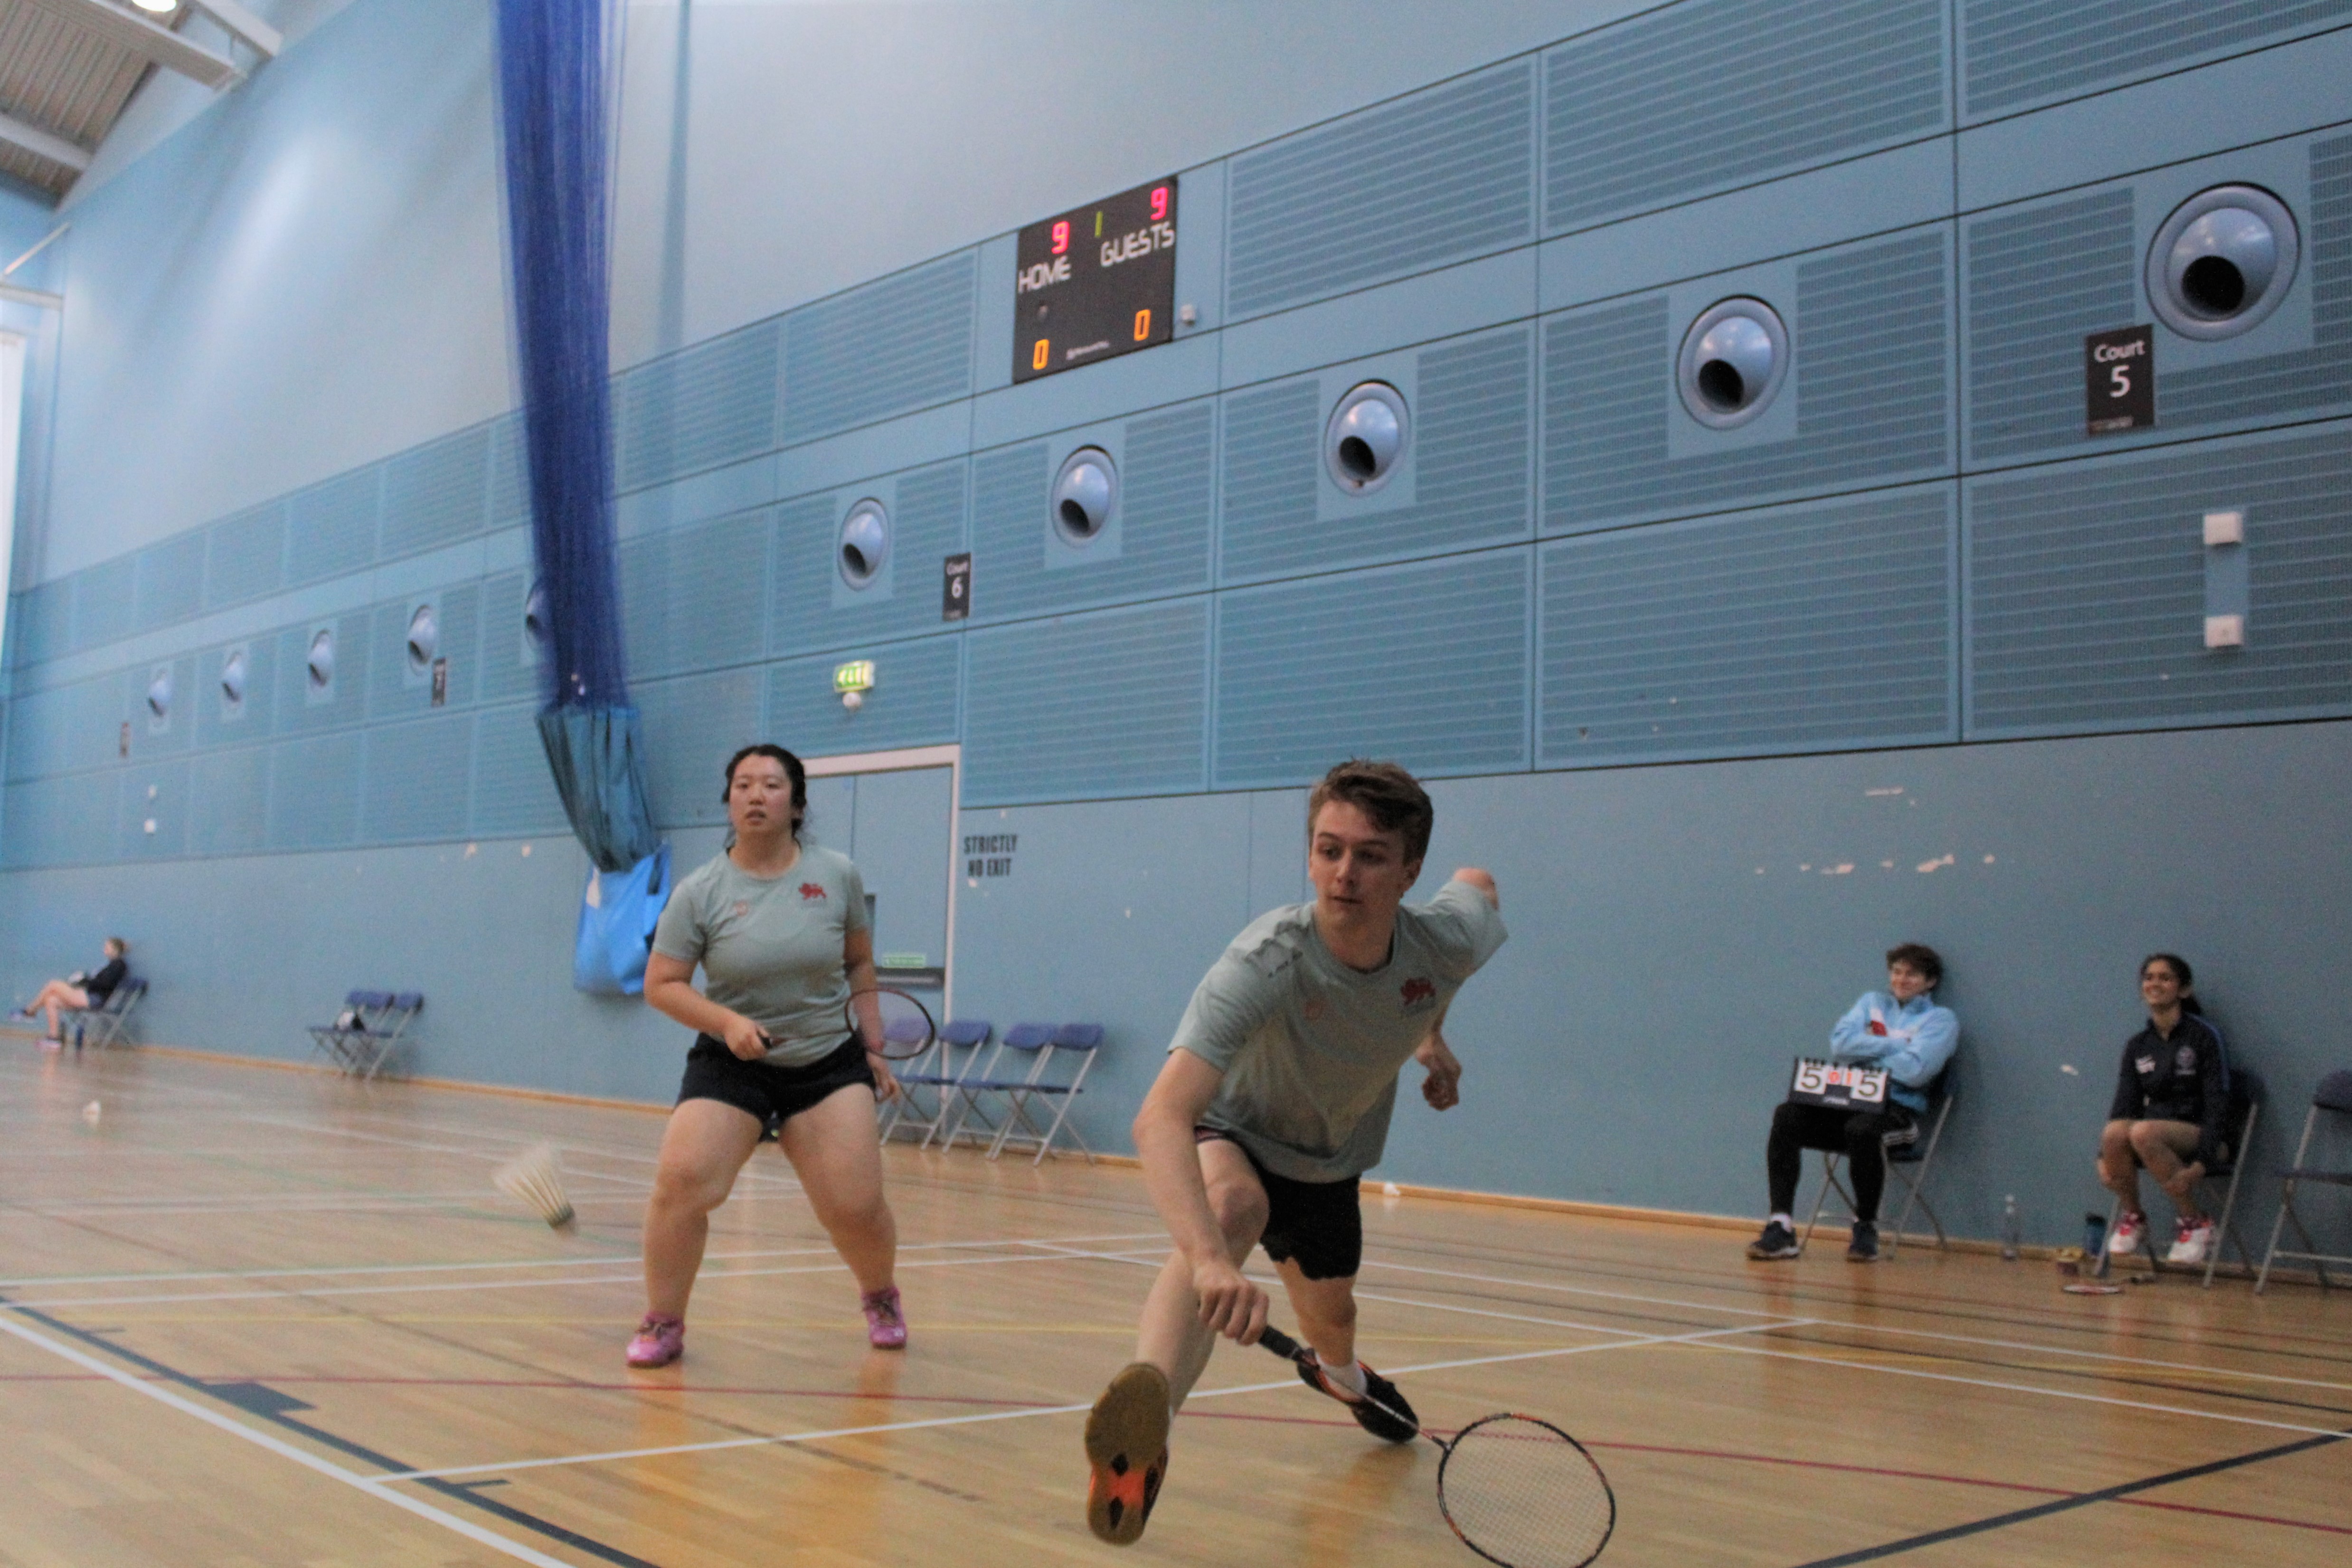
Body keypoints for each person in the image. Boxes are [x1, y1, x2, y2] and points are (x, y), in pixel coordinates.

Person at [1082, 760, 1506, 1547]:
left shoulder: (1442, 941)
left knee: (1332, 1318)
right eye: (1327, 849)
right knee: (1233, 1208)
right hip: (1232, 1131)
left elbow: (1476, 883)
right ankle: (1141, 1436)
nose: (1342, 872)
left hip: (1329, 1162)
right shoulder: (1265, 959)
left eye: (1369, 854)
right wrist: (1211, 1260)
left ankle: (1339, 1375)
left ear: (1409, 869)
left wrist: (1430, 1034)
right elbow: (1159, 1117)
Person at [627, 743, 906, 1369]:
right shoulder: (700, 891)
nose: (756, 794)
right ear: (729, 800)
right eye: (744, 784)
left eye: (772, 784)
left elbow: (859, 962)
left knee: (855, 1207)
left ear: (797, 802)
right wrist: (728, 1022)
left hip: (828, 1059)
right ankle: (663, 1318)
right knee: (681, 1183)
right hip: (733, 1059)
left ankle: (880, 1295)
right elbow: (661, 983)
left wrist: (874, 1045)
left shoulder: (837, 874)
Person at [1747, 943, 1957, 1264]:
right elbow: (1841, 1046)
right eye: (1896, 971)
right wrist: (1898, 1044)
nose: (1901, 979)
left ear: (1929, 982)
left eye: (1911, 974)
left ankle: (1865, 1227)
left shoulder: (1940, 1020)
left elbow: (1915, 1071)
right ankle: (1781, 1225)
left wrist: (1868, 1055)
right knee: (1787, 1114)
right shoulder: (1871, 1003)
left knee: (1862, 1130)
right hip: (1849, 1102)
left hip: (1895, 1115)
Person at [2098, 953, 2229, 1266]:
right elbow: (2124, 1105)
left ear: (2182, 990)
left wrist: (2201, 1163)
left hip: (2206, 1138)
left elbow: (2217, 1105)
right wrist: (2102, 1156)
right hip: (2152, 1137)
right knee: (2116, 1131)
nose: (2155, 984)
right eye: (2149, 977)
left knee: (2142, 1130)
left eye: (2165, 978)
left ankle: (2195, 1222)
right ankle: (2133, 1216)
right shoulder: (2138, 1045)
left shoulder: (2204, 1037)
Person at [16, 938, 129, 1050]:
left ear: (114, 949)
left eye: (107, 947)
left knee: (53, 985)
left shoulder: (119, 965)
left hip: (95, 999)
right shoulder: (111, 965)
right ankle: (54, 1038)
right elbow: (99, 981)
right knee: (51, 1000)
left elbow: (105, 984)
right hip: (89, 995)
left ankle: (30, 1011)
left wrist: (87, 981)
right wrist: (85, 980)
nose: (104, 949)